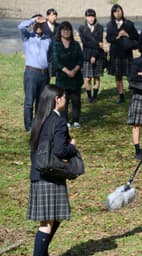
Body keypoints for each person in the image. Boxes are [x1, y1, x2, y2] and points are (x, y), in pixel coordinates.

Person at [28, 85, 79, 256]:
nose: (66, 100)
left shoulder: (39, 118)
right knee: (46, 224)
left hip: (38, 174)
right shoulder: (58, 121)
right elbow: (60, 151)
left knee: (53, 218)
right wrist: (72, 147)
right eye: (64, 97)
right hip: (50, 176)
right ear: (57, 100)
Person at [18, 14, 51, 132]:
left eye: (41, 24)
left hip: (44, 74)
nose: (39, 26)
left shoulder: (48, 39)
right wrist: (33, 19)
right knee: (29, 101)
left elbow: (51, 55)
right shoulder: (27, 37)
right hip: (31, 73)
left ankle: (39, 124)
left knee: (41, 101)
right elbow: (20, 27)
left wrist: (45, 20)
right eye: (36, 24)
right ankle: (29, 126)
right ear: (32, 25)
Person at [106, 4, 139, 104]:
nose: (118, 13)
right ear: (113, 13)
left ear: (122, 11)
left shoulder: (129, 23)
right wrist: (117, 36)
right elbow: (108, 38)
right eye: (115, 11)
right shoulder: (110, 25)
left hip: (127, 53)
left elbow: (136, 37)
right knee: (118, 76)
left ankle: (135, 94)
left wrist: (127, 35)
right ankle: (121, 96)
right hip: (115, 54)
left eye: (119, 11)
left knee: (130, 75)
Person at [53, 21, 83, 128]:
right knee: (63, 100)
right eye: (64, 29)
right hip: (62, 78)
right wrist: (67, 71)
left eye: (68, 30)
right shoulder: (56, 45)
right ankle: (64, 120)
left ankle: (76, 120)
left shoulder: (76, 44)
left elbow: (80, 58)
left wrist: (74, 70)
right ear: (60, 31)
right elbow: (56, 61)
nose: (66, 32)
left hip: (75, 77)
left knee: (76, 100)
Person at [78, 8, 105, 103]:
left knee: (96, 77)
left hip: (98, 55)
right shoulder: (82, 28)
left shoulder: (100, 27)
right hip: (86, 55)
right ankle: (89, 96)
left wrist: (94, 54)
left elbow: (100, 42)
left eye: (92, 16)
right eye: (89, 16)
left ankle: (95, 96)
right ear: (86, 17)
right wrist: (97, 44)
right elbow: (85, 43)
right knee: (87, 78)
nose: (91, 18)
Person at [43, 8, 60, 80]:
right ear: (47, 16)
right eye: (51, 15)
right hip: (46, 56)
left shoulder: (59, 26)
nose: (53, 17)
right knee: (46, 76)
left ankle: (59, 90)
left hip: (57, 55)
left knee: (59, 76)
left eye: (55, 15)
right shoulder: (42, 26)